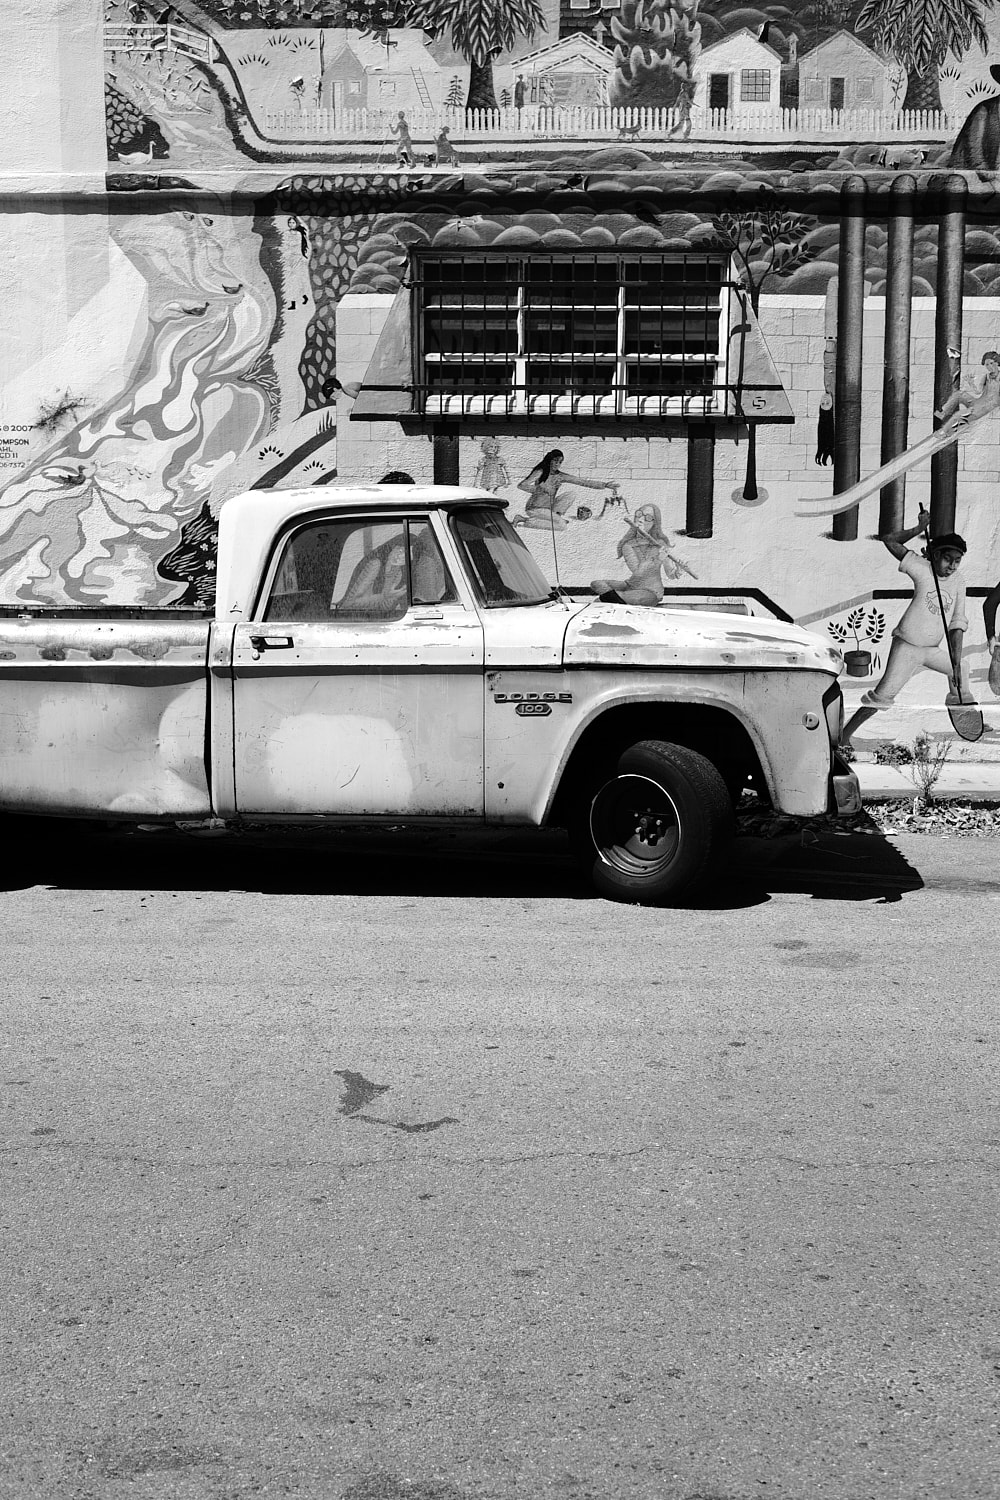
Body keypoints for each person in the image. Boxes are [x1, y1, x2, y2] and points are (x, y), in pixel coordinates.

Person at [841, 509, 971, 746]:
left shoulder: (959, 581)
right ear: (935, 554)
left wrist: (954, 658)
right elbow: (889, 540)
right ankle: (844, 735)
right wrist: (919, 529)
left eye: (957, 560)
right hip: (907, 647)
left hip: (931, 650)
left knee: (961, 667)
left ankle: (963, 713)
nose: (952, 565)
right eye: (947, 558)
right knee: (882, 696)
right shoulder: (922, 568)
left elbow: (957, 623)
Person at [590, 504, 696, 607]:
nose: (641, 519)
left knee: (604, 599)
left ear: (654, 523)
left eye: (648, 518)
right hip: (631, 585)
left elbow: (671, 575)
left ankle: (610, 600)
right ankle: (614, 600)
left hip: (650, 591)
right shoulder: (628, 545)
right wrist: (657, 559)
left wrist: (678, 570)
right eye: (639, 514)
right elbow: (637, 572)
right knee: (597, 584)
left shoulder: (660, 544)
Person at [514, 449, 617, 530]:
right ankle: (522, 519)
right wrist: (541, 489)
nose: (557, 464)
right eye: (555, 461)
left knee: (571, 494)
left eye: (560, 462)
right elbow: (522, 485)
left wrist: (605, 485)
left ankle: (556, 516)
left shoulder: (560, 476)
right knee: (561, 526)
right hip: (535, 508)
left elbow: (581, 481)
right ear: (550, 460)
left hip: (549, 507)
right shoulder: (540, 471)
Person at [934, 348, 1000, 430]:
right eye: (987, 365)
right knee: (959, 394)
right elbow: (978, 391)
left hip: (985, 407)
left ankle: (944, 432)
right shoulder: (986, 377)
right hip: (978, 402)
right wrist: (971, 383)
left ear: (997, 363)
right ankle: (943, 413)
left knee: (959, 415)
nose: (990, 366)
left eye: (991, 363)